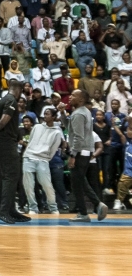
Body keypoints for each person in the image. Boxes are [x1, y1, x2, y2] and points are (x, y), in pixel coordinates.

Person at [0, 80, 26, 223]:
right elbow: (4, 120)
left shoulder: (2, 100)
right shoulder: (11, 101)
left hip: (3, 141)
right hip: (6, 142)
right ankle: (4, 211)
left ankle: (11, 210)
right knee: (11, 175)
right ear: (19, 90)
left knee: (9, 176)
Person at [67, 89, 109, 222]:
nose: (70, 97)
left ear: (80, 99)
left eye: (73, 95)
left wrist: (73, 155)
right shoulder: (85, 111)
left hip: (80, 152)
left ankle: (84, 213)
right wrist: (62, 113)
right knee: (80, 181)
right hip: (86, 151)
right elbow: (71, 128)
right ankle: (97, 204)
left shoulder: (78, 114)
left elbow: (78, 137)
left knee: (76, 184)